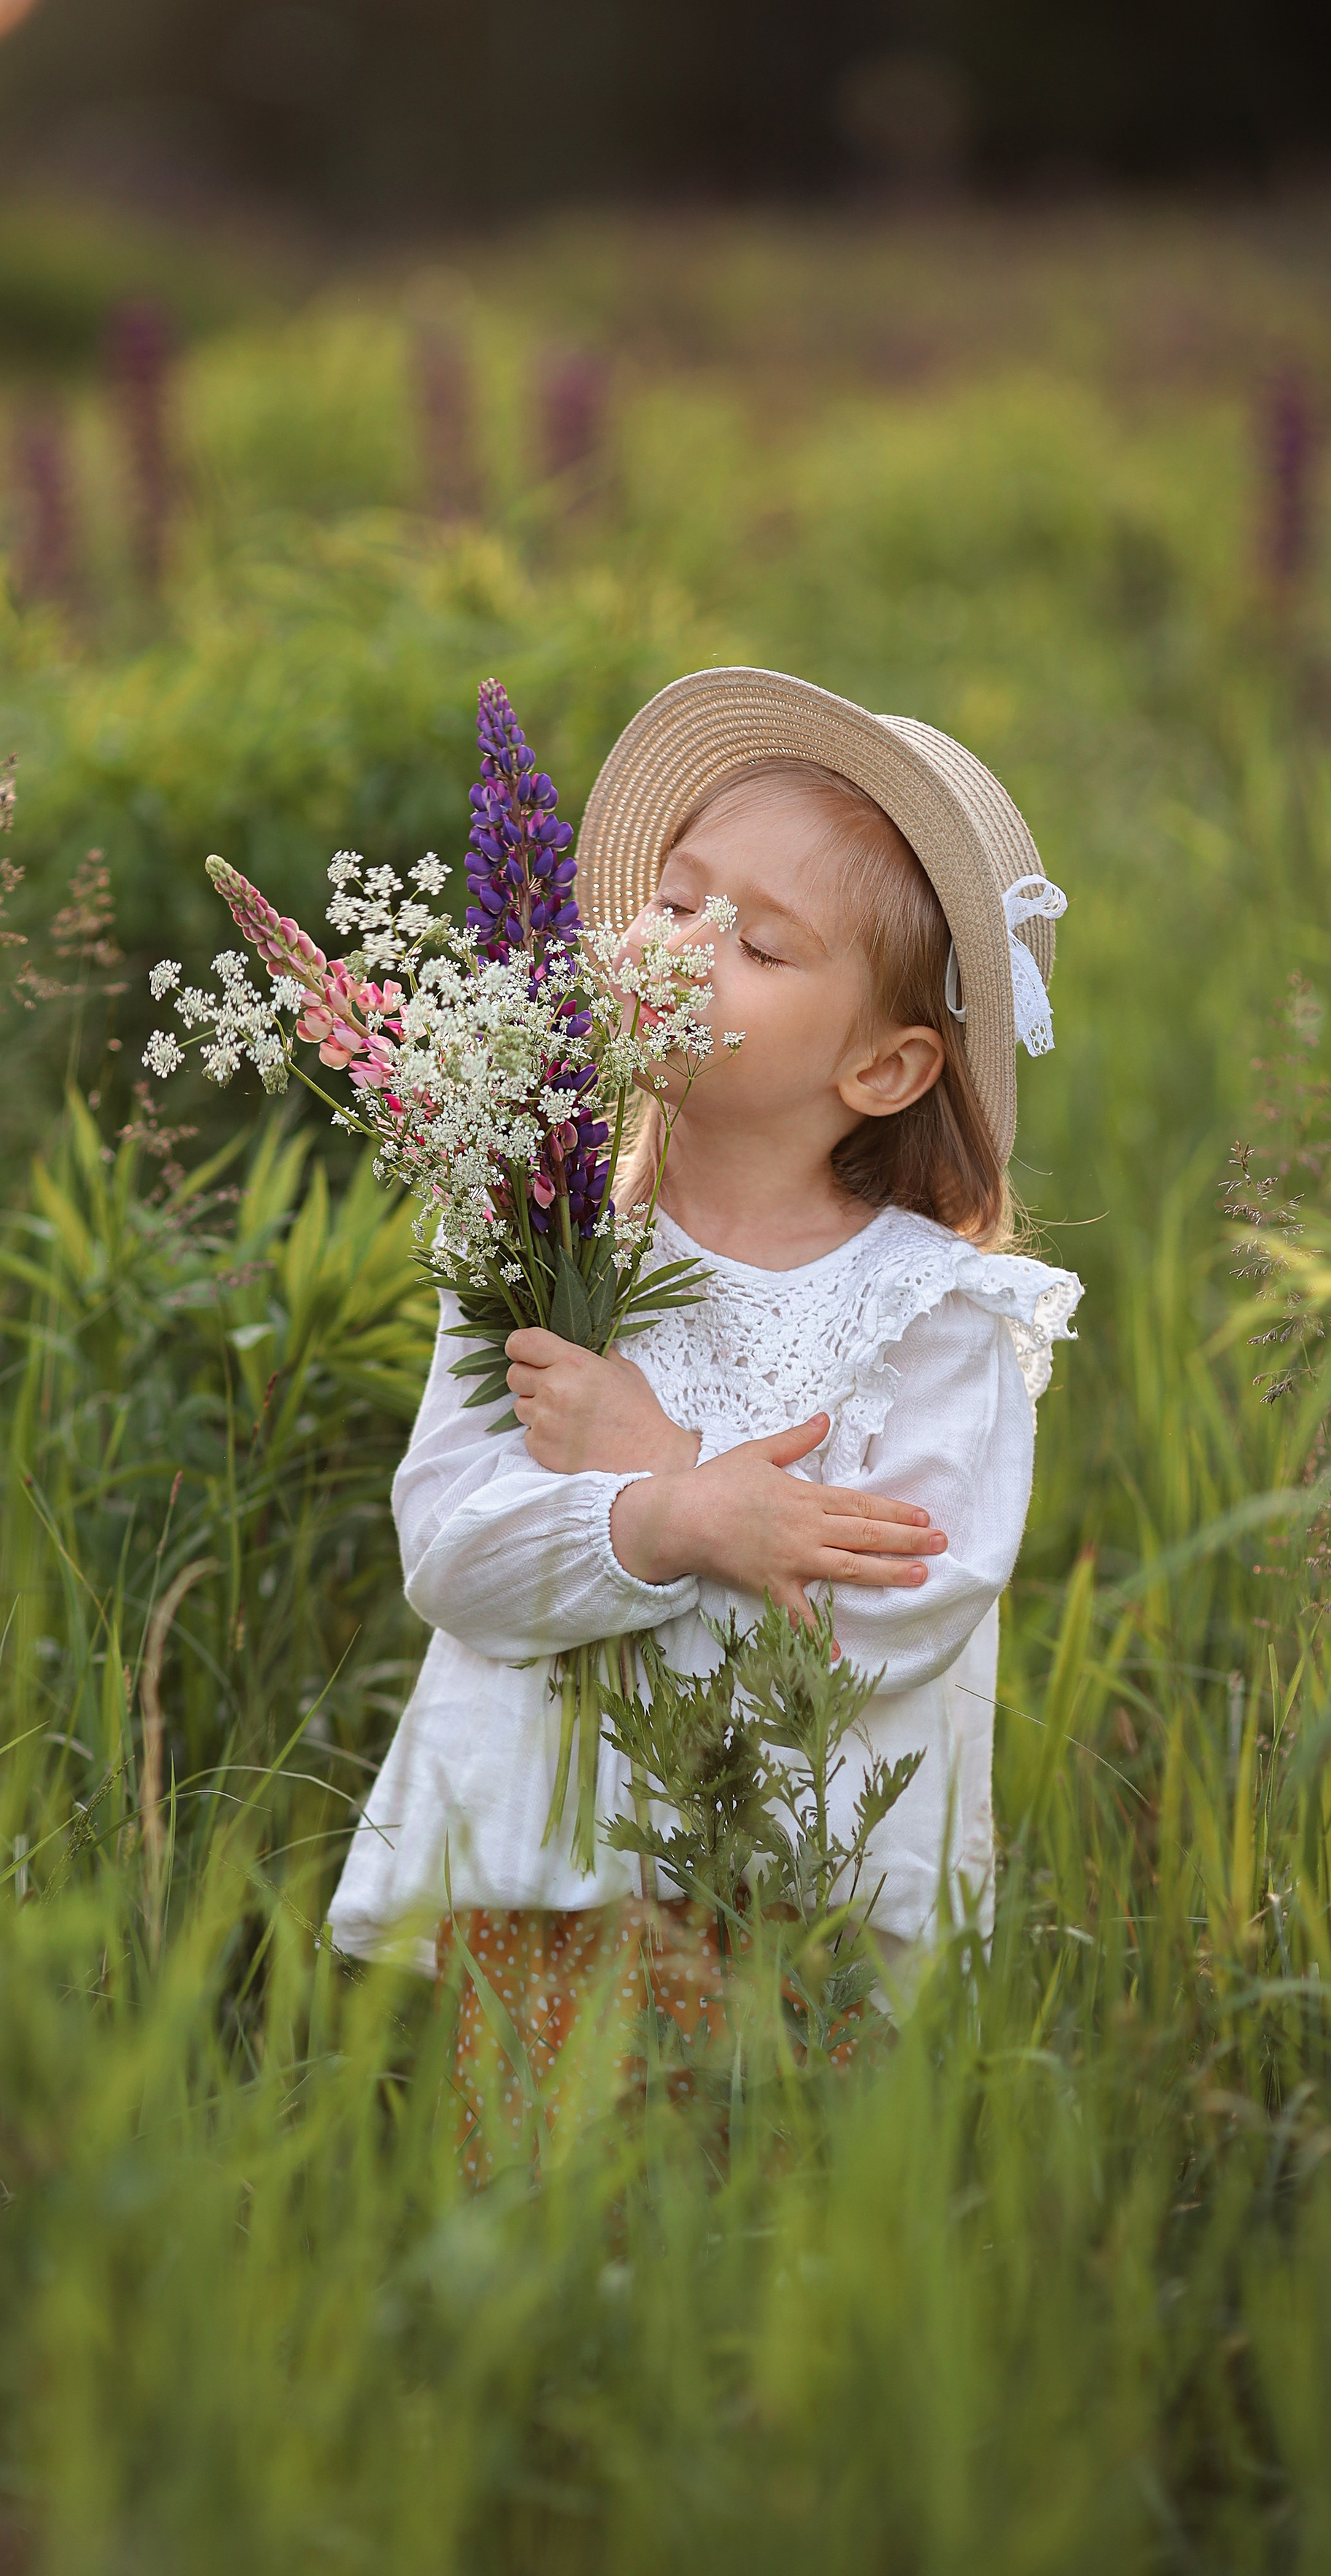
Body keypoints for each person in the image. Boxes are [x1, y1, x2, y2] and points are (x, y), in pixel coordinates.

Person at [326, 666, 1080, 2152]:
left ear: (882, 1064)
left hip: (804, 1908)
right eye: (674, 901)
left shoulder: (935, 1317)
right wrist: (669, 1518)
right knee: (559, 2271)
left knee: (769, 2296)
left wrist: (665, 1468)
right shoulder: (537, 1243)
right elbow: (453, 1556)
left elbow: (895, 1615)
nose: (681, 948)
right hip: (544, 1889)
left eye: (756, 942)